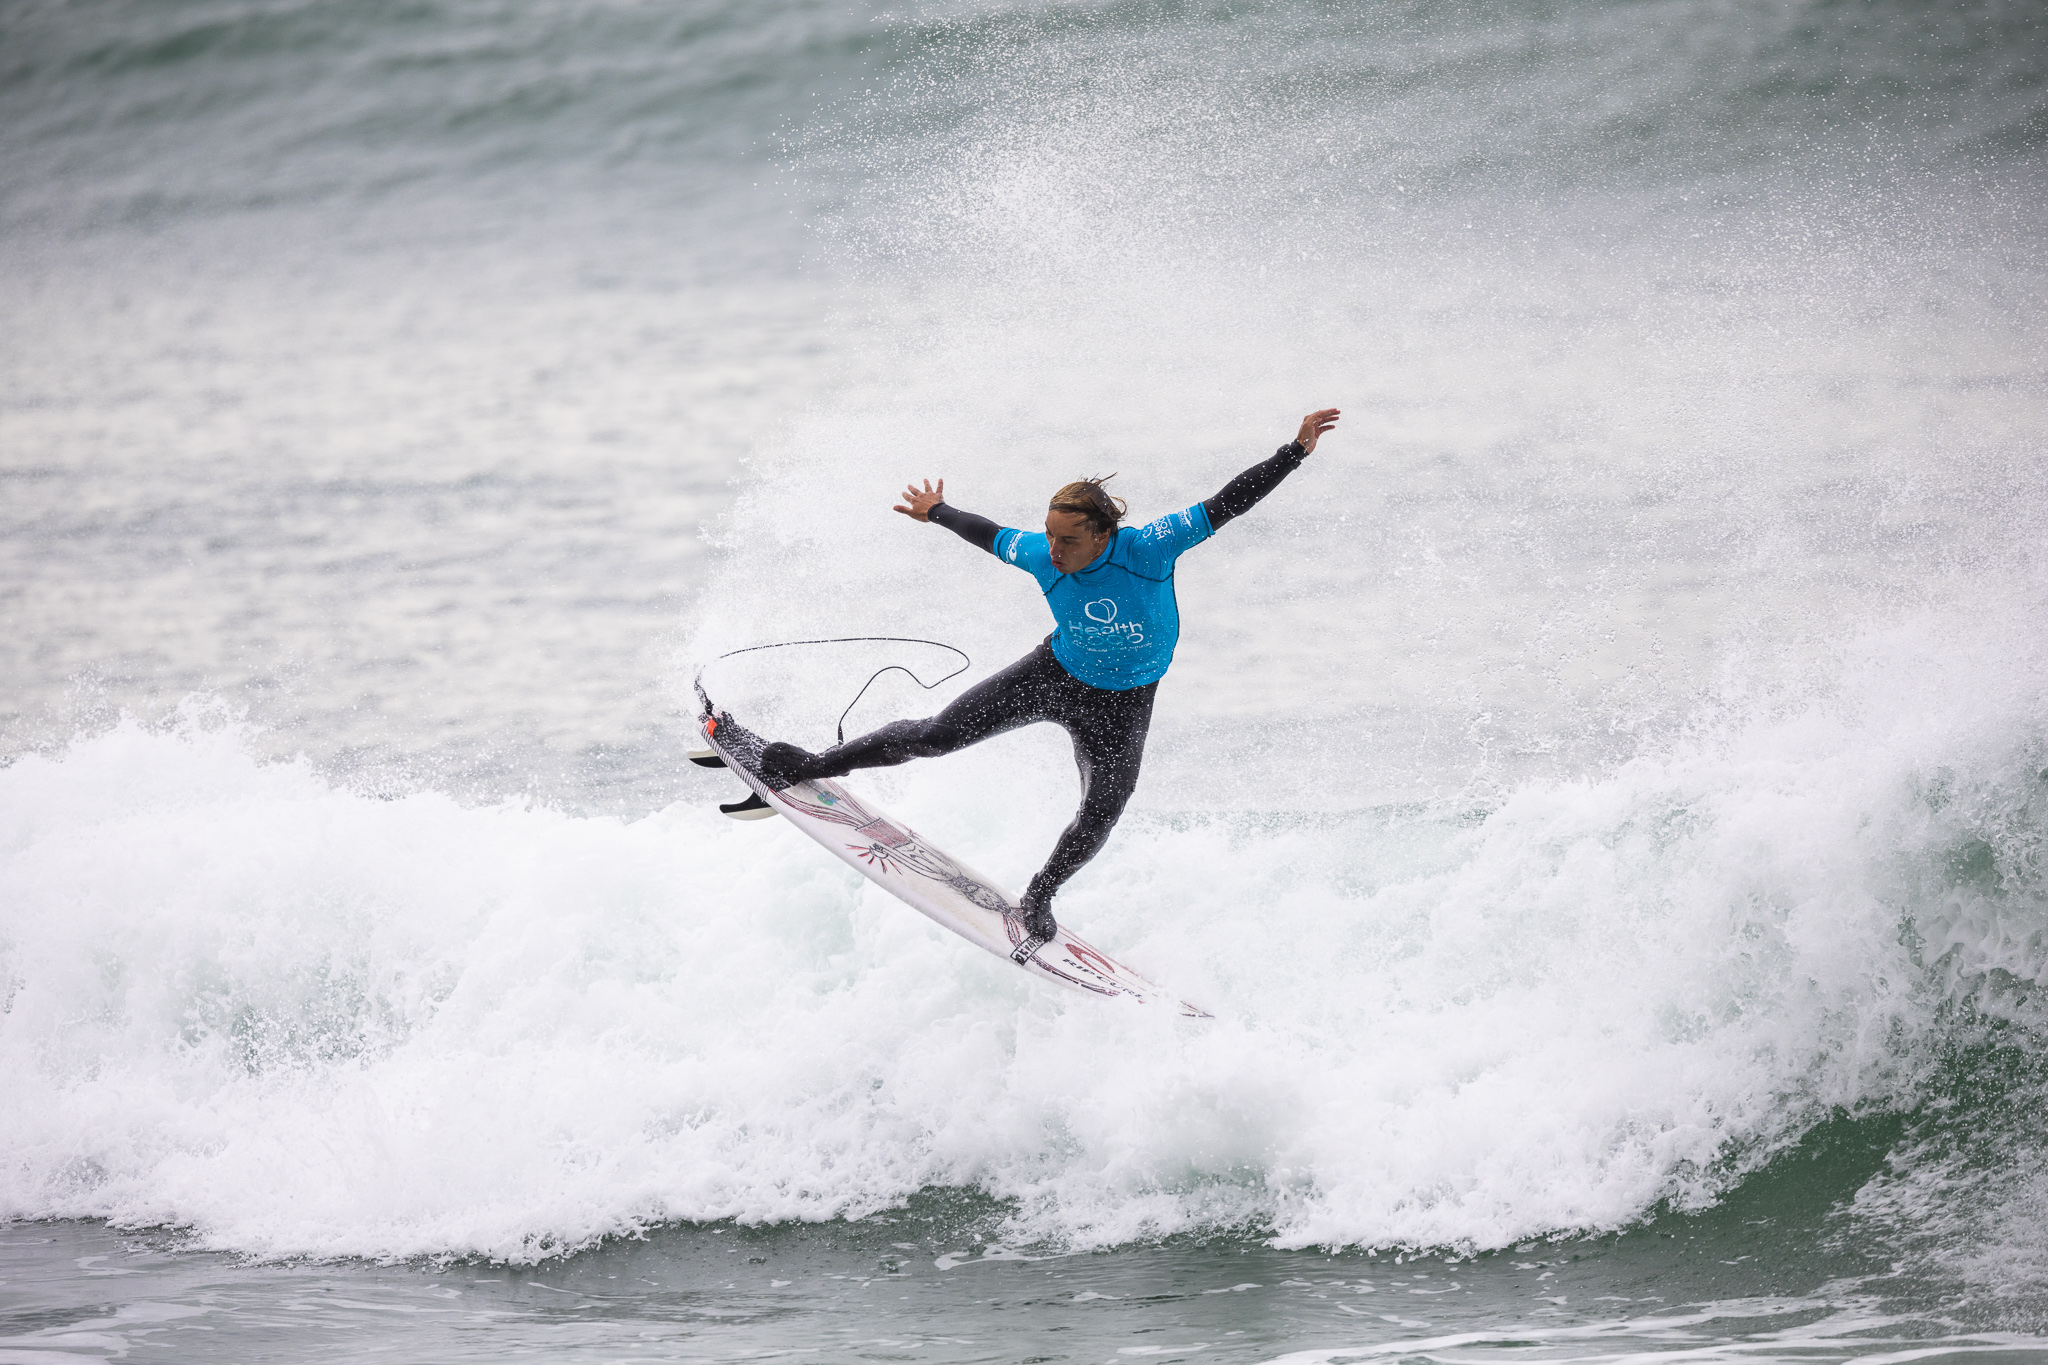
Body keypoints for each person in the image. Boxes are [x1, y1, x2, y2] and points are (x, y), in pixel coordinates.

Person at [761, 407, 1341, 943]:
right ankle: (808, 766)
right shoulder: (1040, 552)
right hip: (1052, 675)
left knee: (1104, 807)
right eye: (1050, 535)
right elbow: (985, 532)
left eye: (1068, 540)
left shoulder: (1151, 547)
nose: (1054, 550)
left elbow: (1230, 501)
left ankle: (1039, 895)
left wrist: (1296, 450)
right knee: (937, 735)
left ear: (1103, 534)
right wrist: (936, 510)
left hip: (1124, 702)